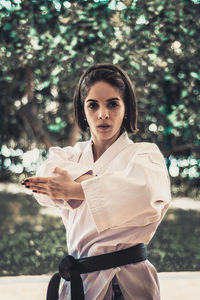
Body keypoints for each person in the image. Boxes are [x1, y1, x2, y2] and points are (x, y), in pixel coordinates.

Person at [22, 63, 171, 300]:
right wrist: (99, 184)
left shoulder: (144, 154)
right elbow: (46, 173)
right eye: (93, 105)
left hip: (122, 282)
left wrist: (76, 189)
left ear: (126, 108)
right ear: (83, 111)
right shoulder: (72, 155)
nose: (103, 114)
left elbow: (144, 193)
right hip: (79, 279)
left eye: (113, 104)